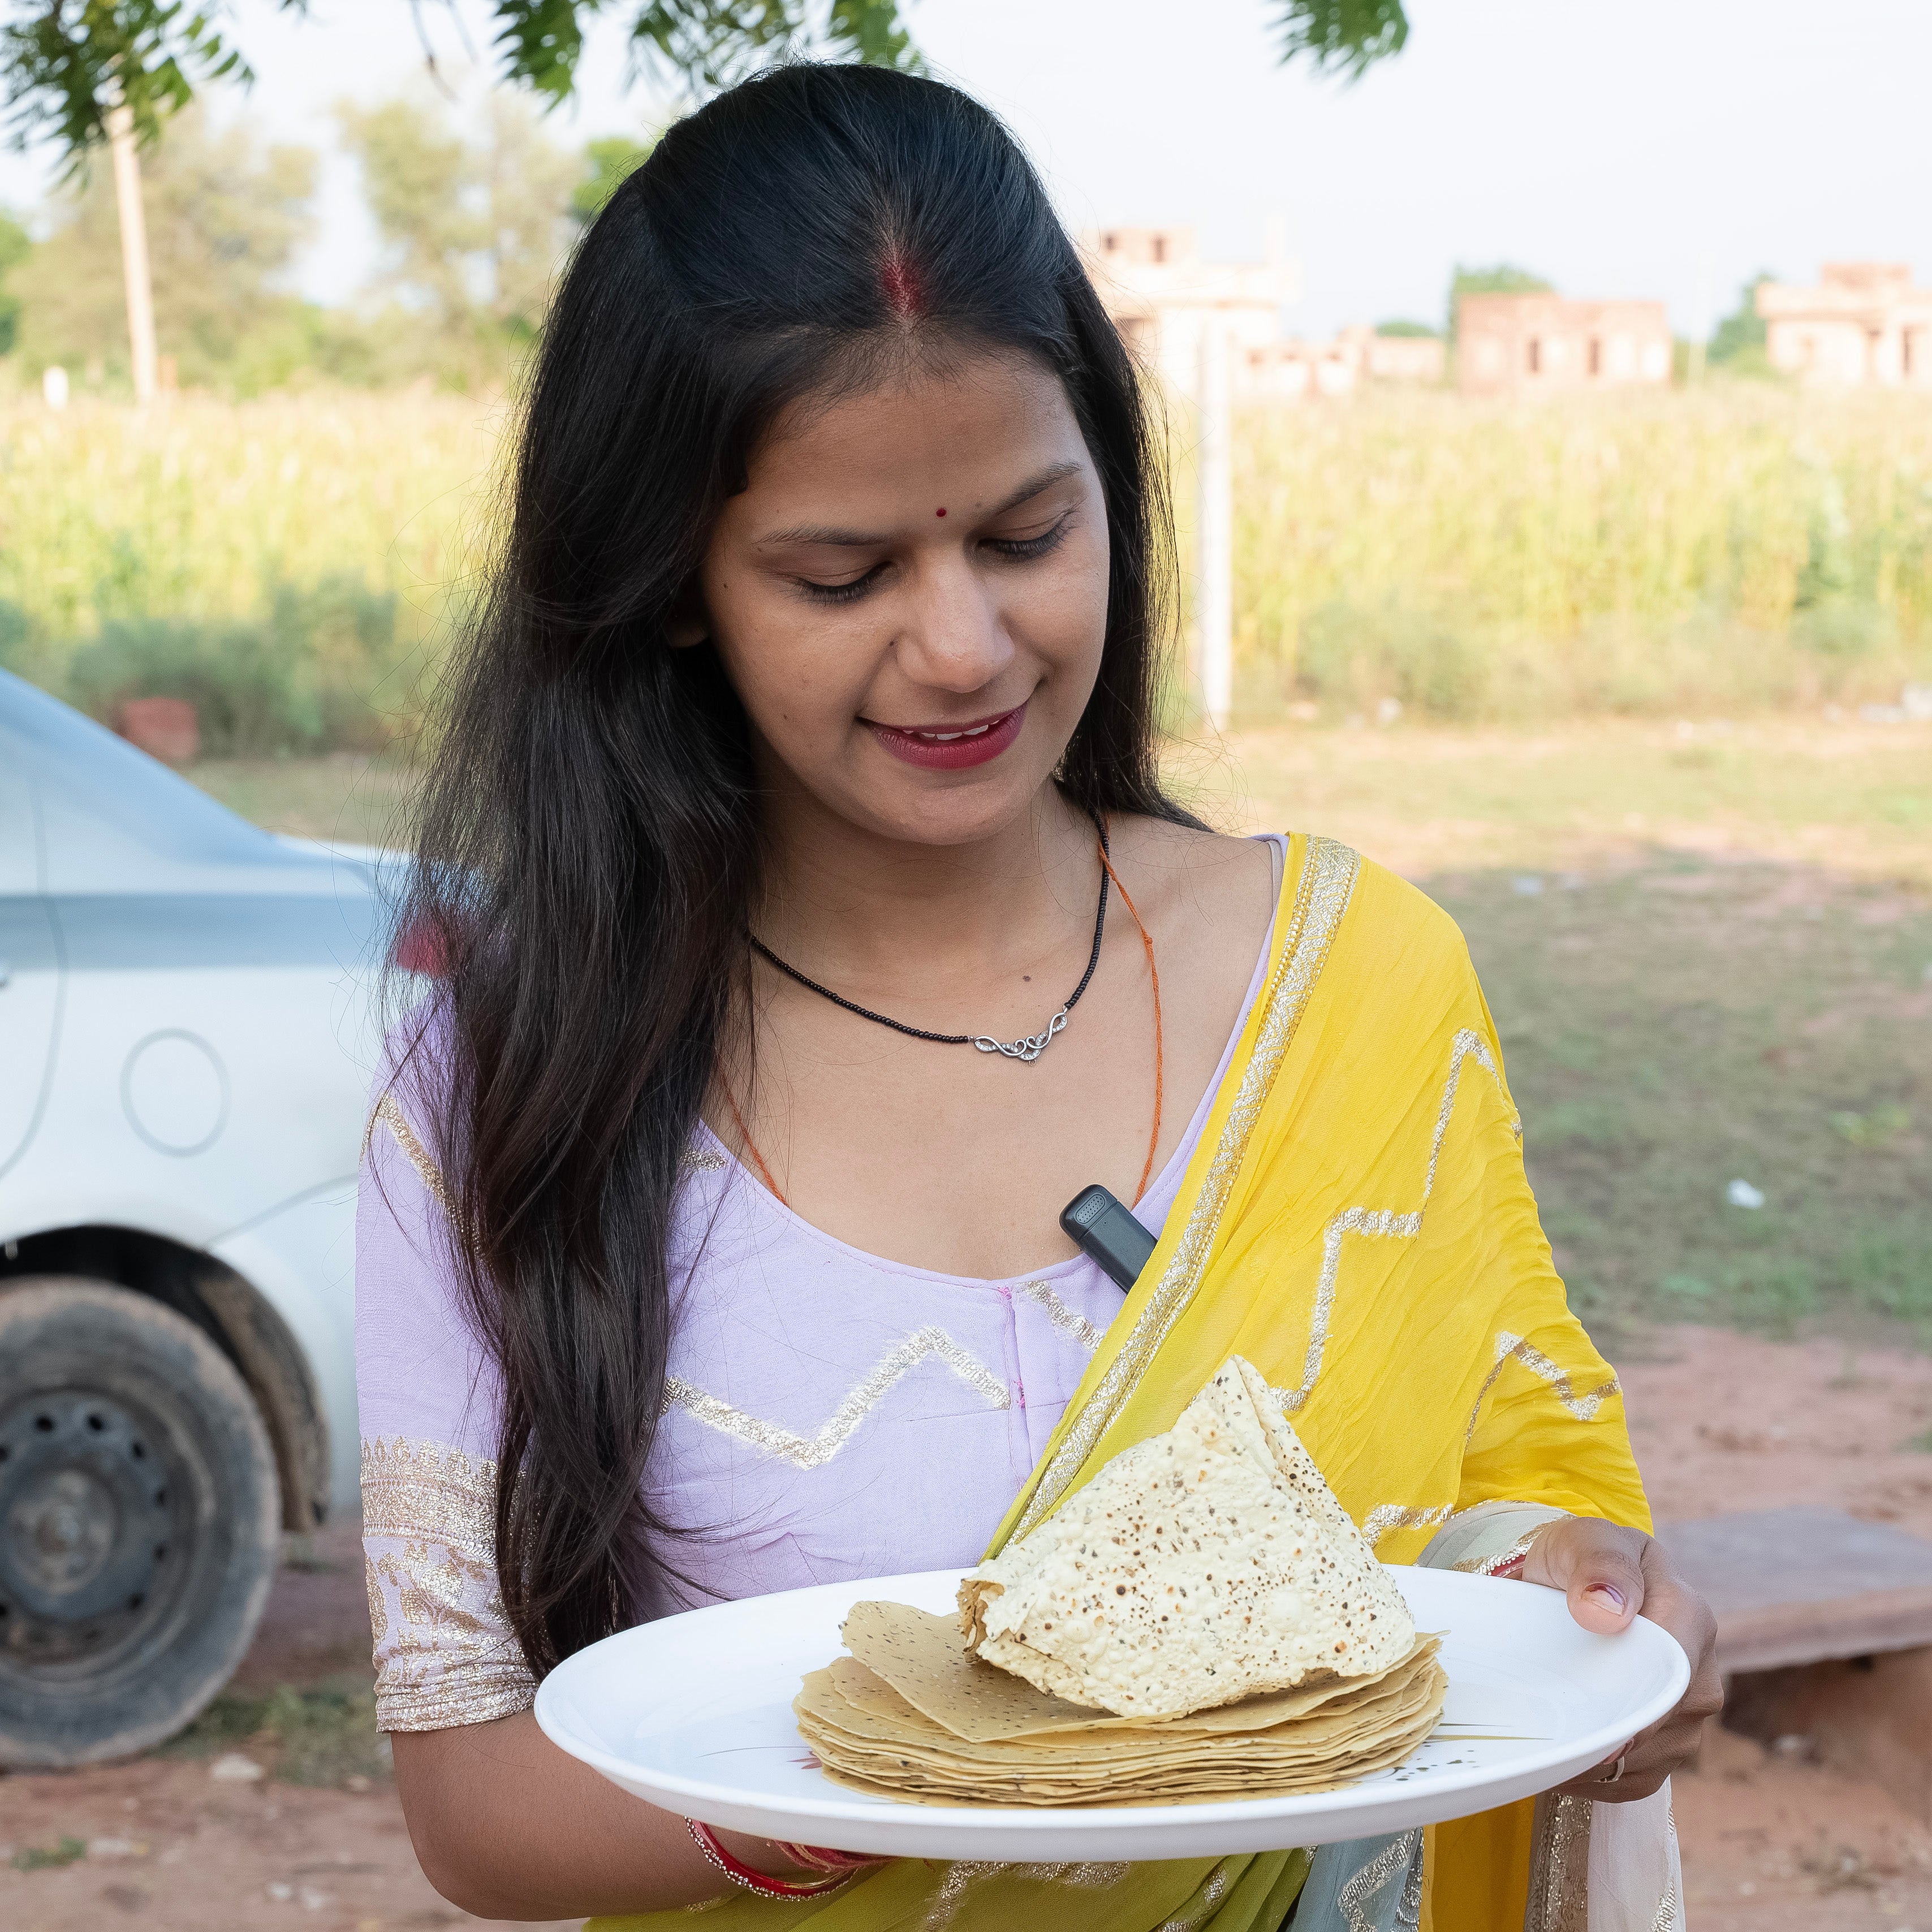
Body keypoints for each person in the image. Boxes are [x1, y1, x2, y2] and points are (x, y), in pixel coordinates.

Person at [355, 61, 1720, 1932]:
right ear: (674, 583)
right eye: (842, 573)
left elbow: (1535, 1535)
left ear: (1110, 492)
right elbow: (474, 1795)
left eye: (1023, 536)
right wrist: (923, 1784)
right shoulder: (511, 1077)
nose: (962, 648)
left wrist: (1605, 1631)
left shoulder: (1362, 983)